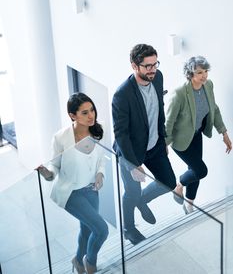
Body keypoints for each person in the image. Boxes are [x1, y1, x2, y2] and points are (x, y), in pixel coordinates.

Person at [37, 93, 109, 274]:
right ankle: (89, 263)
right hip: (71, 193)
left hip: (91, 190)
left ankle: (77, 261)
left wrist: (100, 174)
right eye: (84, 113)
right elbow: (54, 166)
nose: (91, 115)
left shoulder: (100, 131)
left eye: (92, 110)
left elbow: (102, 159)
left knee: (86, 231)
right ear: (72, 115)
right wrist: (46, 173)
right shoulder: (61, 137)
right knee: (101, 229)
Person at [112, 44, 176, 245]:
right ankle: (128, 229)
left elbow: (160, 109)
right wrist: (133, 164)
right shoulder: (122, 95)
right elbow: (120, 134)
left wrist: (163, 138)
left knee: (169, 182)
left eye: (154, 64)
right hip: (130, 151)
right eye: (147, 66)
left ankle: (142, 200)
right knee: (132, 192)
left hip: (155, 145)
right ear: (134, 66)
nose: (152, 69)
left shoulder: (158, 78)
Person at [166, 56, 232, 214]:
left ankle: (189, 205)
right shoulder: (180, 93)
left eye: (206, 71)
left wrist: (224, 133)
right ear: (190, 74)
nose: (204, 75)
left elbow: (214, 109)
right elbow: (169, 121)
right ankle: (179, 186)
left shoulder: (208, 85)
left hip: (196, 135)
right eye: (199, 72)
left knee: (194, 170)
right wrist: (164, 144)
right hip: (181, 140)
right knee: (201, 170)